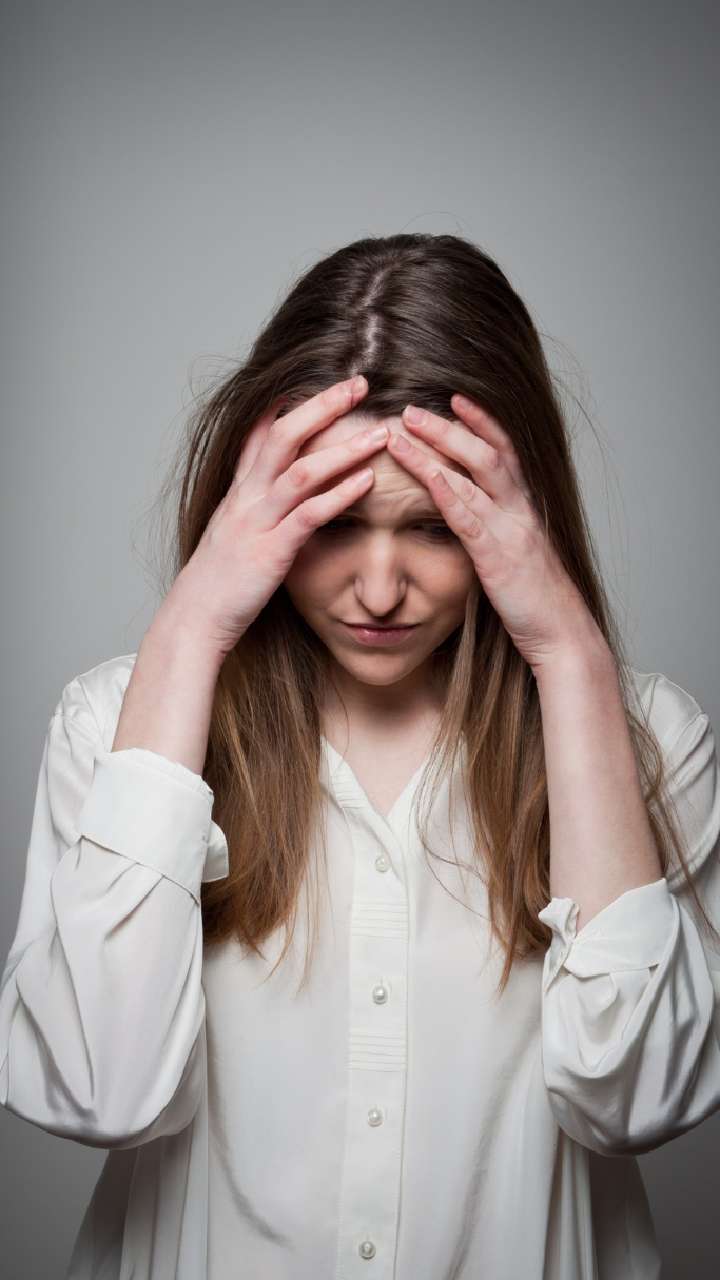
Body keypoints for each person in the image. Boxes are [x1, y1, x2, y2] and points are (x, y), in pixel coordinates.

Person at [1, 232, 719, 1280]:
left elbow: (639, 1100)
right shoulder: (116, 723)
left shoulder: (647, 741)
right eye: (333, 524)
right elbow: (97, 1091)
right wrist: (193, 623)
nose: (379, 590)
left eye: (436, 528)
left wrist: (569, 656)